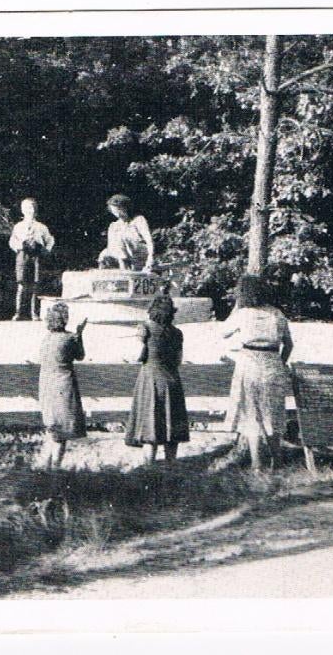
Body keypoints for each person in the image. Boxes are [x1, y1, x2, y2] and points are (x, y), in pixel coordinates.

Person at [221, 275, 294, 471]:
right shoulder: (277, 314)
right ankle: (277, 461)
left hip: (249, 363)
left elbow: (223, 332)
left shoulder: (243, 314)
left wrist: (236, 306)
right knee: (273, 415)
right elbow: (288, 344)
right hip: (272, 364)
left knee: (251, 414)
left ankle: (256, 464)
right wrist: (281, 362)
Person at [124, 295, 189, 464]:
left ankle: (148, 467)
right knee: (171, 428)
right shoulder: (177, 333)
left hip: (151, 379)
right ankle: (170, 466)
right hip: (172, 380)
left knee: (150, 428)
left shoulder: (145, 328)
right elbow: (178, 360)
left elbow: (137, 355)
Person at [37, 302, 88, 469]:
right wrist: (80, 334)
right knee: (62, 432)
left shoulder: (46, 339)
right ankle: (55, 469)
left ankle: (47, 466)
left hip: (46, 385)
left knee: (53, 430)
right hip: (63, 384)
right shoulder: (69, 338)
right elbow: (80, 356)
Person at [8, 197, 55, 321]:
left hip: (36, 256)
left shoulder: (41, 227)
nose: (30, 210)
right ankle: (18, 312)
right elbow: (12, 241)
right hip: (23, 255)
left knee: (35, 284)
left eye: (32, 207)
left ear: (36, 210)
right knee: (21, 285)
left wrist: (46, 250)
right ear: (22, 210)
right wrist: (19, 246)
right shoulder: (18, 226)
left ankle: (34, 313)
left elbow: (50, 240)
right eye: (27, 208)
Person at [96, 194, 154, 272]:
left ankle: (124, 269)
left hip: (140, 252)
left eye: (118, 208)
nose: (116, 211)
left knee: (121, 238)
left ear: (125, 207)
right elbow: (111, 246)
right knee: (104, 254)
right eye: (114, 209)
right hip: (123, 254)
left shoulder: (138, 220)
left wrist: (151, 257)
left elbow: (149, 240)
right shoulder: (114, 226)